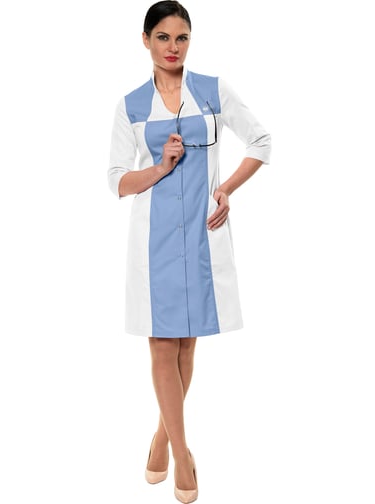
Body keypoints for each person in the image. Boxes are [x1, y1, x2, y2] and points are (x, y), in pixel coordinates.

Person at [107, 1, 271, 502]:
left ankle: (161, 435)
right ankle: (182, 453)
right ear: (145, 40)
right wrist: (160, 166)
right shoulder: (131, 105)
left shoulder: (214, 91)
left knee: (186, 346)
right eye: (162, 37)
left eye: (181, 38)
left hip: (202, 235)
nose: (173, 48)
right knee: (162, 343)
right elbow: (117, 181)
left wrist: (226, 190)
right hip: (153, 240)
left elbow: (260, 142)